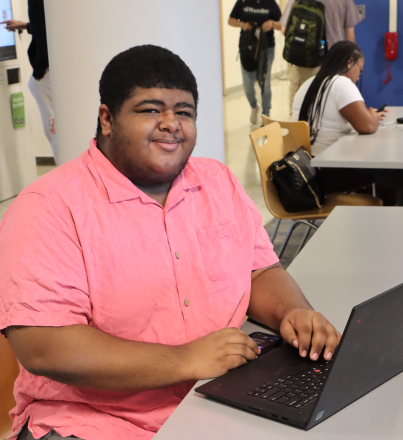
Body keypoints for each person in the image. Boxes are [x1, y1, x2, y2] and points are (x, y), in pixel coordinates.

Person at [0, 45, 340, 440]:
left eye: (184, 112)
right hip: (96, 421)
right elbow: (44, 346)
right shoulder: (49, 207)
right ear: (107, 119)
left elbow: (260, 270)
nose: (171, 124)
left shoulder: (217, 182)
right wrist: (184, 360)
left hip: (219, 396)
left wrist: (293, 313)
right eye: (149, 109)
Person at [292, 41, 396, 204]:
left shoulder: (310, 82)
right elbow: (367, 127)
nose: (357, 78)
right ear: (350, 62)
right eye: (359, 71)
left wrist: (366, 116)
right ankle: (386, 220)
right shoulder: (341, 83)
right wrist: (373, 117)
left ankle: (363, 213)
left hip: (304, 169)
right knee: (390, 170)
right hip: (325, 174)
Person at [1, 0, 57, 163]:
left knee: (54, 131)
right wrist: (25, 26)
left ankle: (67, 179)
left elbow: (44, 32)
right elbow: (44, 25)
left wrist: (39, 71)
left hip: (46, 72)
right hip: (53, 69)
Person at [280, 0, 362, 110]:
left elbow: (284, 30)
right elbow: (350, 38)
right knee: (328, 108)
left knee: (300, 108)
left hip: (305, 62)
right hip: (335, 63)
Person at [228, 0, 282, 124]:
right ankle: (254, 106)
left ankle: (266, 114)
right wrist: (242, 25)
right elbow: (231, 20)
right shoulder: (243, 2)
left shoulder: (271, 4)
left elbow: (282, 25)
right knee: (248, 86)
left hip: (266, 48)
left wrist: (272, 23)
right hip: (247, 48)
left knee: (265, 84)